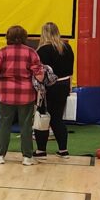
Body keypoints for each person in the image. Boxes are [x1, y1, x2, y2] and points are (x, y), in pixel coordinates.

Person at [0, 25, 43, 166]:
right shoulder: (31, 53)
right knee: (26, 126)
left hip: (5, 94)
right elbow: (40, 76)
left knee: (4, 124)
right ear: (25, 37)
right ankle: (27, 157)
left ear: (8, 37)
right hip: (26, 94)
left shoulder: (2, 52)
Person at [34, 22, 74, 160]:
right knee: (57, 118)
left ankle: (41, 150)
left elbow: (40, 74)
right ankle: (63, 150)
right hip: (64, 84)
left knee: (42, 116)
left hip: (48, 87)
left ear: (43, 33)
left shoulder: (42, 50)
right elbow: (70, 71)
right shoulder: (67, 47)